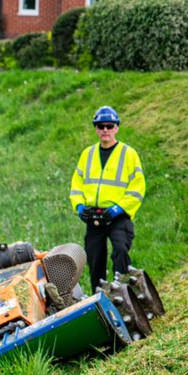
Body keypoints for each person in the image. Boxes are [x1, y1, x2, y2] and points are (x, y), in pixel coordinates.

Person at [70, 105, 146, 292]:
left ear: (116, 128)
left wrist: (118, 208)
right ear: (96, 128)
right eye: (101, 126)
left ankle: (123, 291)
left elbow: (137, 188)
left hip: (118, 217)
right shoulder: (87, 154)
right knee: (95, 259)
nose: (105, 130)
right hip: (94, 217)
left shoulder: (128, 154)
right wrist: (79, 207)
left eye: (109, 126)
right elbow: (76, 185)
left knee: (120, 250)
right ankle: (100, 295)